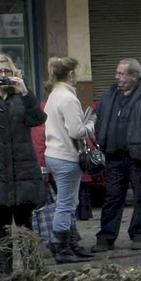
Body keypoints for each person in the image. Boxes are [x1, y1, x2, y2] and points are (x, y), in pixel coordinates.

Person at [0, 54, 47, 281]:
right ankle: (5, 271)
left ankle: (32, 267)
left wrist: (25, 92)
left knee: (25, 222)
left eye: (7, 71)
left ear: (13, 73)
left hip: (23, 168)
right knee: (2, 224)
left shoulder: (21, 97)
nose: (3, 76)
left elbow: (38, 119)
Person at [93, 58, 141, 251]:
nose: (117, 78)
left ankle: (139, 235)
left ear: (134, 76)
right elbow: (99, 118)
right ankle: (106, 238)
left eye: (121, 74)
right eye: (117, 73)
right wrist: (100, 140)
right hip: (113, 155)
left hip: (140, 156)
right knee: (112, 198)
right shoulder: (109, 95)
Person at [42, 56, 91, 264]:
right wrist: (91, 125)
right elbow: (77, 131)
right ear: (71, 74)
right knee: (66, 203)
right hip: (66, 155)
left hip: (53, 153)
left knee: (70, 201)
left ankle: (70, 244)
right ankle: (61, 246)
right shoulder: (69, 98)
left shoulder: (53, 94)